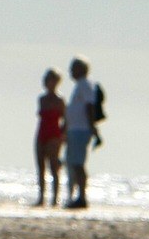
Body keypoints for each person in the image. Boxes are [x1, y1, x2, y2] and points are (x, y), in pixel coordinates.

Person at [64, 56, 103, 209]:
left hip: (81, 130)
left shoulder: (86, 84)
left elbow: (89, 106)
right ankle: (76, 195)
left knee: (78, 164)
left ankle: (82, 197)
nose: (71, 71)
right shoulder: (81, 85)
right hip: (76, 129)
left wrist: (92, 126)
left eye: (73, 68)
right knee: (73, 163)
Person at [36, 71, 67, 208]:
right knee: (41, 166)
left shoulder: (60, 100)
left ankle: (55, 198)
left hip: (54, 135)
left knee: (54, 167)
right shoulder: (41, 99)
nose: (50, 84)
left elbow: (66, 120)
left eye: (53, 81)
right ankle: (41, 197)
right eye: (48, 80)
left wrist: (63, 136)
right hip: (41, 133)